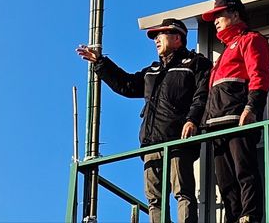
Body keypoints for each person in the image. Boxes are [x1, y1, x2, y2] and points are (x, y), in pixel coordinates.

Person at [76, 18, 212, 223]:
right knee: (154, 200)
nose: (156, 39)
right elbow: (127, 84)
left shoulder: (195, 64)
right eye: (155, 36)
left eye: (161, 34)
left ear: (177, 37)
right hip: (151, 143)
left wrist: (192, 120)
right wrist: (100, 62)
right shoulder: (153, 71)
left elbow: (202, 95)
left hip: (178, 141)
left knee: (182, 192)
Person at [201, 0, 269, 223]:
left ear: (235, 14)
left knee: (244, 170)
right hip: (216, 125)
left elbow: (259, 75)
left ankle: (250, 214)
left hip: (237, 119)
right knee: (225, 179)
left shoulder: (250, 40)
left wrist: (252, 107)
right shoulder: (222, 55)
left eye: (219, 15)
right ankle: (233, 217)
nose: (215, 21)